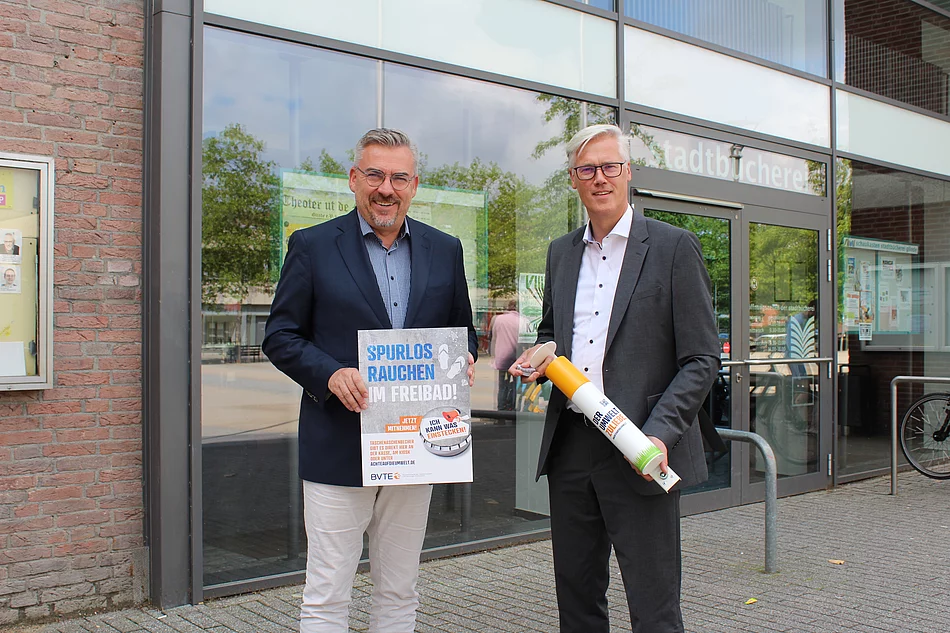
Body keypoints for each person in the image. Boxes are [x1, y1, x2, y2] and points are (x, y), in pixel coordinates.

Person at [262, 128, 478, 633]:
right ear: (354, 179)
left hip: (415, 446)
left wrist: (463, 357)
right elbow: (280, 335)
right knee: (327, 593)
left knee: (400, 591)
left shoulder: (445, 249)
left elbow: (462, 329)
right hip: (338, 444)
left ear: (414, 185)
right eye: (375, 175)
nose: (387, 188)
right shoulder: (313, 246)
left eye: (399, 178)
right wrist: (330, 372)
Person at [510, 124, 719, 633]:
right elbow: (553, 333)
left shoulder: (673, 247)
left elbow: (701, 358)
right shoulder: (561, 252)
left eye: (610, 167)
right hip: (572, 446)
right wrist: (539, 355)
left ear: (627, 173)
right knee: (577, 603)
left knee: (655, 608)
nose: (599, 178)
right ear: (573, 180)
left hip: (639, 446)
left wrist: (659, 434)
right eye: (587, 169)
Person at [489, 300, 526, 411]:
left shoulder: (498, 319)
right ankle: (511, 407)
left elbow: (492, 337)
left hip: (501, 357)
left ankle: (501, 408)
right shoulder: (522, 320)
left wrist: (493, 355)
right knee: (514, 384)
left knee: (502, 385)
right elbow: (524, 341)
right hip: (516, 356)